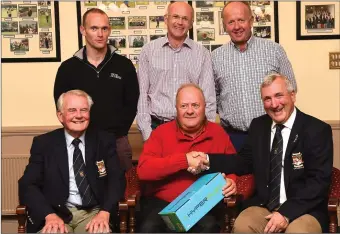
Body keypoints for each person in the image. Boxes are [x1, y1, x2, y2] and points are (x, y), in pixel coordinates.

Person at [191, 74, 333, 233]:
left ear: (292, 95)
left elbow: (318, 182)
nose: (274, 104)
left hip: (304, 209)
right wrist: (207, 160)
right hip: (264, 206)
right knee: (243, 225)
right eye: (267, 99)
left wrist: (285, 213)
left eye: (279, 96)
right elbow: (241, 162)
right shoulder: (259, 126)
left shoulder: (317, 130)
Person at [19, 90, 126, 233]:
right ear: (60, 116)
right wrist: (48, 215)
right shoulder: (44, 143)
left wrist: (105, 212)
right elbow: (27, 184)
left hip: (94, 213)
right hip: (56, 214)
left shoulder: (104, 140)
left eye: (84, 110)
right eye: (72, 110)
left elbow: (116, 180)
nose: (79, 115)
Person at [137, 84, 237, 232]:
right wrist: (184, 160)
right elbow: (143, 171)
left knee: (209, 226)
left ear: (205, 107)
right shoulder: (160, 133)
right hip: (163, 204)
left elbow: (235, 166)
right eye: (184, 106)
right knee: (148, 228)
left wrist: (231, 180)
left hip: (202, 206)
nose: (190, 111)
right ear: (176, 108)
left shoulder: (218, 133)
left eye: (195, 105)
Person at [54, 8, 139, 171]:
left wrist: (115, 133)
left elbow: (132, 103)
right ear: (83, 30)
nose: (100, 34)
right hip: (80, 142)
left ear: (109, 31)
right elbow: (61, 107)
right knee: (80, 192)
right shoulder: (67, 68)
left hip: (117, 142)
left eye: (104, 28)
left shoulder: (124, 66)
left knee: (123, 192)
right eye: (94, 28)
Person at [212, 1, 297, 152]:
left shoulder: (274, 50)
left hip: (271, 133)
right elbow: (214, 96)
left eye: (241, 20)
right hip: (233, 137)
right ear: (225, 25)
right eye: (231, 22)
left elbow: (291, 88)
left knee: (272, 175)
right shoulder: (215, 57)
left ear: (251, 21)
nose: (236, 26)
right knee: (235, 176)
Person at [137, 2, 216, 141]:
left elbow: (208, 98)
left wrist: (205, 135)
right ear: (166, 19)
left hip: (193, 130)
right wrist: (147, 134)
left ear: (191, 23)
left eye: (185, 19)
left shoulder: (202, 54)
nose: (180, 22)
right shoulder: (148, 51)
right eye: (175, 17)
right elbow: (142, 96)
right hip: (157, 128)